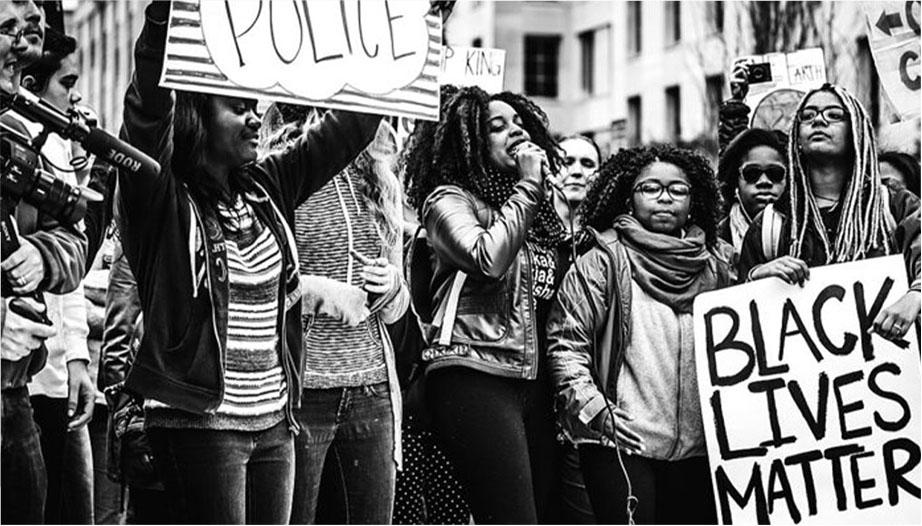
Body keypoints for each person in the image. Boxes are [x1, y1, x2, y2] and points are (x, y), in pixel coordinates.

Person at [118, 2, 381, 523]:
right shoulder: (162, 201)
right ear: (196, 116)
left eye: (255, 104)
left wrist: (399, 47)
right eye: (238, 107)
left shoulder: (266, 188)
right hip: (200, 426)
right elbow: (146, 111)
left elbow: (349, 129)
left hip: (274, 425)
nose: (256, 115)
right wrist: (163, 19)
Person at [403, 85, 565, 524]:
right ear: (470, 142)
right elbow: (486, 258)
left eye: (520, 124)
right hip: (475, 372)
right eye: (497, 127)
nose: (515, 132)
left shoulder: (540, 213)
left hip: (534, 381)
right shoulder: (448, 201)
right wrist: (530, 184)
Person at [547, 145, 733, 524]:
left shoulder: (718, 267)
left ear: (693, 200)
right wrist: (595, 410)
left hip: (698, 452)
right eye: (650, 188)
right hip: (620, 445)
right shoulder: (600, 262)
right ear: (628, 199)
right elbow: (566, 344)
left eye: (677, 190)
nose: (665, 197)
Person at [262, 105, 409, 524]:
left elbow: (399, 309)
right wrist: (320, 294)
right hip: (301, 390)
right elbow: (256, 283)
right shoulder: (279, 174)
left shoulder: (380, 180)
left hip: (372, 390)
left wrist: (391, 286)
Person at [738, 84, 920, 345]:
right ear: (796, 138)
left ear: (856, 132)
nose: (819, 120)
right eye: (808, 116)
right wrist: (755, 279)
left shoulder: (893, 205)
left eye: (834, 115)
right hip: (803, 380)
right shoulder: (770, 225)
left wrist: (915, 296)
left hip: (890, 374)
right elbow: (737, 322)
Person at [1, 2, 87, 523]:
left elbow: (72, 232)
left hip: (14, 403)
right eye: (6, 31)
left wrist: (41, 255)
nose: (24, 48)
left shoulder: (16, 134)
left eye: (26, 32)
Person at [553, 134, 600, 524]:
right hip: (531, 391)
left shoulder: (606, 244)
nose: (577, 170)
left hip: (583, 401)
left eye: (587, 164)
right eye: (567, 161)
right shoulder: (527, 230)